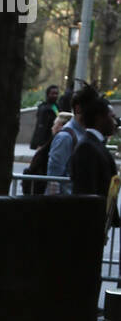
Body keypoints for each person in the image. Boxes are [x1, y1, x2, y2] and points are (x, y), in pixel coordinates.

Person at [69, 94, 120, 228]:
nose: (115, 122)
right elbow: (86, 192)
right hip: (90, 225)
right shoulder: (86, 147)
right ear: (99, 118)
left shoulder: (95, 144)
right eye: (112, 117)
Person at [46, 83, 99, 194]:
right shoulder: (65, 137)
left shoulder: (85, 134)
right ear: (78, 108)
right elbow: (53, 178)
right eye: (93, 108)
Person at [30, 84, 59, 149]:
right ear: (48, 94)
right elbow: (41, 127)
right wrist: (39, 144)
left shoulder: (56, 106)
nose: (55, 96)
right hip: (44, 142)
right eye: (53, 93)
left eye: (56, 93)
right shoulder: (43, 108)